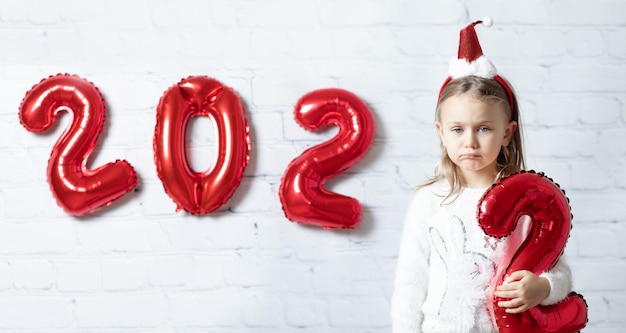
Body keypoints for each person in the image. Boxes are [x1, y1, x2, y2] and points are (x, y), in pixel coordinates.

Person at [391, 18, 573, 333]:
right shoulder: (429, 200)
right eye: (458, 129)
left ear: (507, 133)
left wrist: (542, 288)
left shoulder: (525, 202)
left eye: (484, 128)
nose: (470, 141)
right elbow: (410, 282)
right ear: (441, 133)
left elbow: (561, 274)